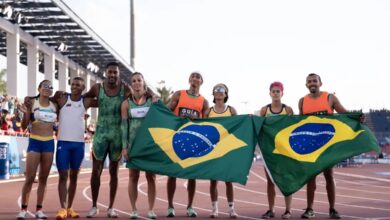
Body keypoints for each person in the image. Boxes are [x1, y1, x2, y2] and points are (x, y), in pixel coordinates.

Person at [83, 62, 156, 218]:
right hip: (101, 135)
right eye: (110, 72)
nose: (112, 75)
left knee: (114, 173)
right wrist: (92, 105)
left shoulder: (124, 88)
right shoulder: (98, 88)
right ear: (105, 73)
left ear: (118, 74)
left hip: (117, 135)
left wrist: (152, 95)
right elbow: (85, 99)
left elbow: (140, 91)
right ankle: (94, 206)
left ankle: (111, 207)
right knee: (96, 171)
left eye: (115, 72)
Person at [299, 73, 347, 219]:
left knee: (329, 176)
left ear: (321, 83)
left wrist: (358, 117)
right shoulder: (302, 101)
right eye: (309, 81)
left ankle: (332, 209)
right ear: (306, 84)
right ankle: (309, 209)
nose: (312, 83)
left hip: (327, 144)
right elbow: (299, 124)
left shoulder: (330, 98)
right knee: (311, 178)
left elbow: (344, 114)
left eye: (315, 81)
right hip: (311, 146)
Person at [166, 71, 209, 217]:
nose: (195, 78)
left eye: (198, 77)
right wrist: (178, 117)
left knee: (192, 175)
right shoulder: (179, 94)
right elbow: (166, 111)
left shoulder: (204, 102)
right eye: (193, 76)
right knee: (172, 173)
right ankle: (170, 206)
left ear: (201, 82)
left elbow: (207, 122)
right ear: (189, 80)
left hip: (194, 141)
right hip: (177, 138)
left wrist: (194, 119)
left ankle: (190, 206)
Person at [54, 77, 97, 219]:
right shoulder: (62, 98)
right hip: (63, 144)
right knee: (63, 176)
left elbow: (105, 101)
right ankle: (62, 208)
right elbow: (47, 98)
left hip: (78, 145)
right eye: (72, 84)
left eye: (78, 85)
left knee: (74, 177)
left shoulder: (86, 101)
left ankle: (69, 207)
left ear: (83, 88)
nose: (74, 87)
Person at [17, 80, 58, 219]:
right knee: (30, 178)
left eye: (50, 87)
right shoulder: (31, 103)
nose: (47, 88)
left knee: (43, 179)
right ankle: (23, 209)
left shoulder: (55, 105)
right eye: (45, 86)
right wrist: (26, 113)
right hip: (34, 141)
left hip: (49, 143)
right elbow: (23, 127)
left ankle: (39, 210)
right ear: (39, 89)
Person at [121, 72, 157, 219]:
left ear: (143, 83)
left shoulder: (152, 101)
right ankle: (134, 210)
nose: (136, 83)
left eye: (139, 80)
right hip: (133, 145)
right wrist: (124, 146)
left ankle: (151, 210)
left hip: (149, 145)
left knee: (151, 177)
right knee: (133, 176)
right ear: (131, 85)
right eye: (134, 81)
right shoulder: (126, 104)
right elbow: (124, 126)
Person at [260, 82, 294, 219]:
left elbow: (293, 128)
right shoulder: (264, 110)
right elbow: (260, 127)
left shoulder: (288, 110)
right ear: (269, 93)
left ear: (282, 93)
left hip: (284, 150)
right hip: (269, 150)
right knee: (270, 181)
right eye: (273, 91)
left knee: (286, 179)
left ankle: (288, 210)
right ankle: (271, 210)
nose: (275, 93)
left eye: (278, 91)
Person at [205, 83, 238, 218]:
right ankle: (214, 209)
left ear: (226, 94)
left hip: (227, 150)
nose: (219, 92)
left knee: (228, 180)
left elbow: (239, 127)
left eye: (222, 90)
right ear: (213, 94)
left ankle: (231, 209)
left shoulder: (232, 110)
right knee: (213, 180)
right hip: (213, 150)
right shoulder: (208, 111)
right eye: (216, 90)